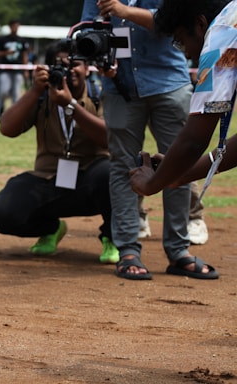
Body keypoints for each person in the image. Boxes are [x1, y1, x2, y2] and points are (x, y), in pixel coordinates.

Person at [81, 0, 216, 280]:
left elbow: (171, 21)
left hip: (169, 81)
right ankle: (128, 250)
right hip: (119, 86)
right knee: (122, 165)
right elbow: (87, 28)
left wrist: (124, 11)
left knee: (177, 165)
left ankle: (178, 251)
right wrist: (100, 58)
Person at [0, 41, 119, 264]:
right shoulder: (40, 97)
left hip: (90, 178)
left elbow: (111, 140)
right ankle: (51, 228)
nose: (68, 70)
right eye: (59, 65)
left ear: (87, 68)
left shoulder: (102, 95)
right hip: (50, 178)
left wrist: (71, 106)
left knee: (113, 173)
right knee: (0, 212)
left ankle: (113, 237)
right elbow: (7, 128)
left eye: (74, 64)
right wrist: (35, 89)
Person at [131, 0, 235, 245]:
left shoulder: (221, 35)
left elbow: (193, 139)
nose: (185, 52)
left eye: (180, 40)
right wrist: (178, 175)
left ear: (200, 24)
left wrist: (153, 183)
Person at [0, 19, 29, 116]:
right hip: (5, 69)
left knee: (16, 93)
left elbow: (24, 55)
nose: (15, 28)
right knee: (3, 91)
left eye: (17, 26)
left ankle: (14, 114)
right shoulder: (3, 40)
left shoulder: (22, 40)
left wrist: (26, 69)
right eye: (13, 26)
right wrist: (6, 53)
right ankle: (1, 107)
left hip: (18, 70)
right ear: (10, 27)